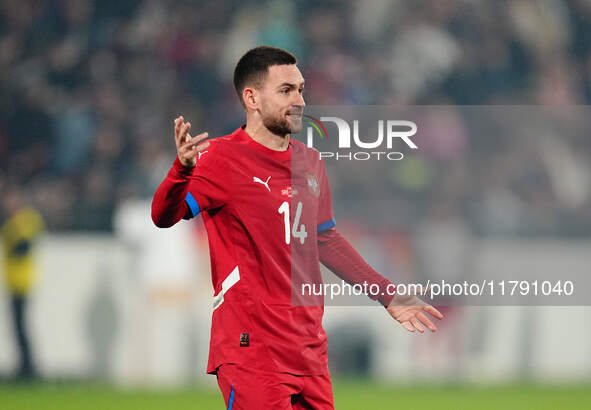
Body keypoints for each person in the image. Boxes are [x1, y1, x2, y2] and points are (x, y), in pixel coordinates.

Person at [151, 45, 443, 409]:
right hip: (251, 347)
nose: (300, 100)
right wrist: (181, 171)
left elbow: (324, 239)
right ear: (252, 97)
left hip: (308, 349)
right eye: (286, 90)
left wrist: (386, 293)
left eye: (301, 89)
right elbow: (164, 216)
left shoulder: (311, 162)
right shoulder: (220, 158)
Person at [1, 187, 44, 380]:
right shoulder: (11, 222)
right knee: (17, 326)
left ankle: (29, 367)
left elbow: (23, 247)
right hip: (12, 282)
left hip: (23, 281)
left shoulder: (28, 218)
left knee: (22, 326)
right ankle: (24, 365)